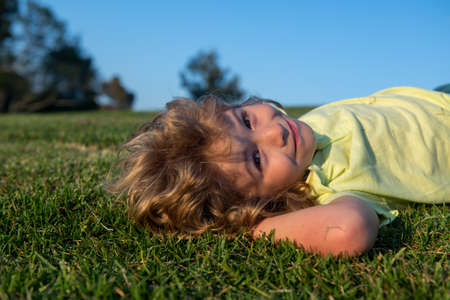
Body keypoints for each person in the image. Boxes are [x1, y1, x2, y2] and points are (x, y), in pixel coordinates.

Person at [108, 86, 450, 257]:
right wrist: (248, 226)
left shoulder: (307, 126)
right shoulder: (331, 186)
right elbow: (349, 230)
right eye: (257, 160)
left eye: (246, 119)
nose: (275, 133)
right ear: (263, 201)